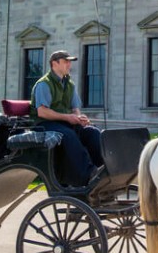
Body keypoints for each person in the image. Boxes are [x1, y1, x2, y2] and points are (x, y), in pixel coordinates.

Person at [31, 50, 104, 187]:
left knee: (92, 132)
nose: (69, 64)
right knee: (68, 135)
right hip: (45, 124)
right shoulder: (44, 84)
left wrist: (79, 118)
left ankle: (104, 170)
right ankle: (88, 174)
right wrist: (68, 117)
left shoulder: (70, 84)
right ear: (55, 63)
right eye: (66, 61)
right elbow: (42, 112)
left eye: (70, 61)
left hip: (64, 123)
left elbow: (75, 108)